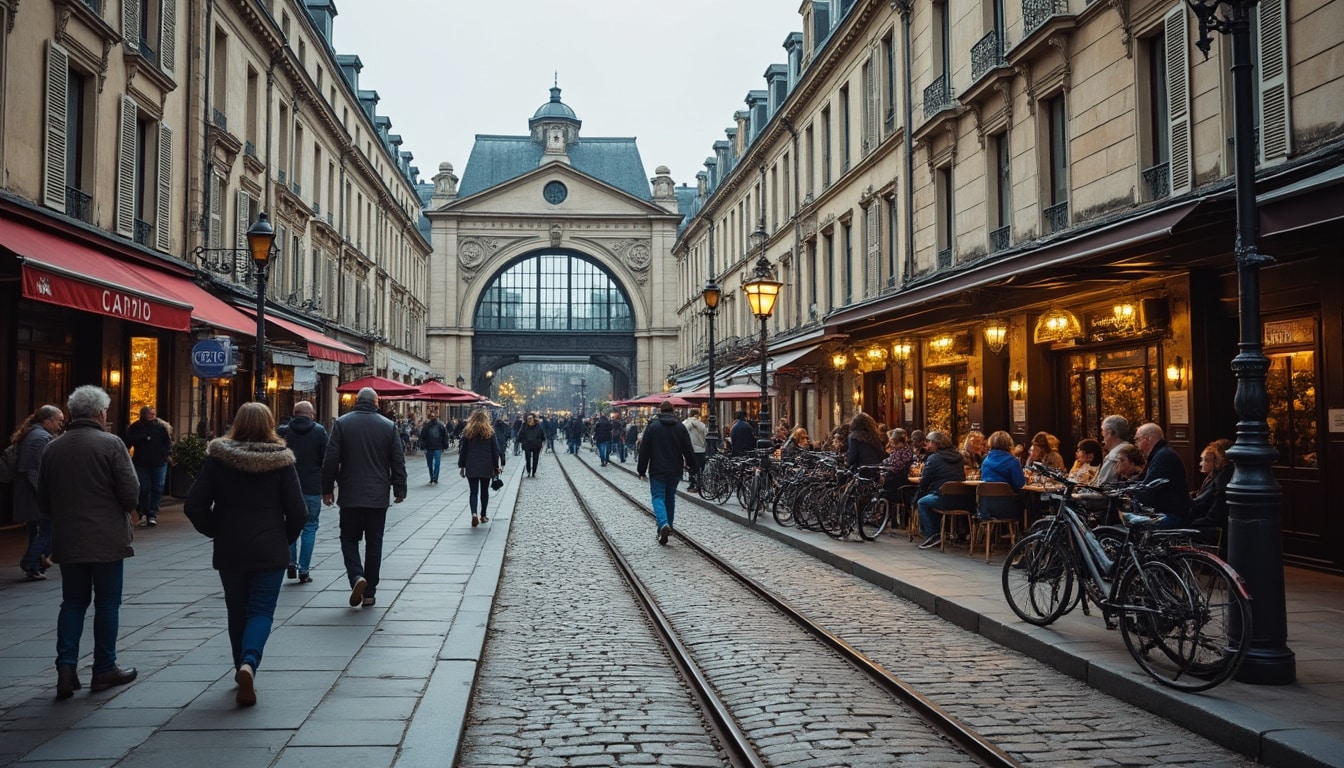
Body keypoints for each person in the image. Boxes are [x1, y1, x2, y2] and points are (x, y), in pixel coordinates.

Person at [185, 402, 307, 707]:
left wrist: (215, 529)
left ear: (236, 423)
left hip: (231, 547)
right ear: (270, 424)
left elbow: (194, 505)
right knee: (261, 611)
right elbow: (298, 512)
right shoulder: (281, 461)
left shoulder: (219, 459)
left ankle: (239, 664)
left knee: (236, 609)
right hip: (269, 548)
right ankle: (249, 662)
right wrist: (284, 538)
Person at [39, 385, 140, 698]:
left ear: (71, 413)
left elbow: (43, 497)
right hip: (107, 538)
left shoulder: (53, 447)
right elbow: (131, 492)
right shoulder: (111, 444)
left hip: (69, 538)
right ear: (100, 413)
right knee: (108, 602)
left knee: (72, 602)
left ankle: (66, 668)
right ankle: (103, 668)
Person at [321, 387, 407, 609]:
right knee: (374, 542)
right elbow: (397, 460)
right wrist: (400, 488)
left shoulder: (342, 424)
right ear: (376, 403)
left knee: (348, 539)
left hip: (350, 493)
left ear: (356, 402)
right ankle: (369, 592)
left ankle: (356, 576)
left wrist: (327, 488)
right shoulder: (388, 426)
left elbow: (331, 459)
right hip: (377, 495)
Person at [277, 401, 328, 584]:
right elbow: (326, 459)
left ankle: (291, 563)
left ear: (294, 413)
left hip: (287, 487)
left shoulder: (283, 431)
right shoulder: (320, 431)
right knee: (310, 526)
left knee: (290, 525)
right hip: (312, 487)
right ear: (311, 414)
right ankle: (304, 570)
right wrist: (328, 487)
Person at [12, 405, 64, 581]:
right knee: (47, 530)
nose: (60, 425)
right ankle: (31, 562)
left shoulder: (34, 435)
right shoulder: (39, 438)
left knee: (38, 531)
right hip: (34, 493)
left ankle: (34, 566)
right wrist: (45, 492)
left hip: (30, 492)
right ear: (46, 421)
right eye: (58, 421)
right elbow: (35, 469)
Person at [637, 400, 696, 545]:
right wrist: (693, 466)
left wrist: (641, 469)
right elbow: (688, 449)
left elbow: (645, 450)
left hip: (657, 469)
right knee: (670, 498)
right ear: (673, 411)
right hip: (675, 469)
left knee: (658, 497)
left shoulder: (653, 427)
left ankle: (663, 524)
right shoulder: (680, 427)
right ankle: (668, 525)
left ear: (660, 411)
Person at [914, 430, 966, 549]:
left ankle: (933, 534)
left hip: (944, 498)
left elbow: (924, 481)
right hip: (963, 499)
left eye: (929, 442)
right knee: (931, 498)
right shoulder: (959, 457)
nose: (927, 445)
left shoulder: (934, 459)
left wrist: (917, 495)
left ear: (935, 443)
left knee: (922, 502)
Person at [1133, 422, 1191, 528]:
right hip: (1169, 511)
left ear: (1149, 439)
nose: (1136, 444)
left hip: (1172, 515)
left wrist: (1132, 495)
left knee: (1133, 522)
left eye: (1138, 439)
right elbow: (1142, 480)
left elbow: (1148, 489)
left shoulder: (1163, 457)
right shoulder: (1160, 454)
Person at [123, 405, 172, 526]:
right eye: (150, 413)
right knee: (144, 488)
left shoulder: (160, 427)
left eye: (153, 413)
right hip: (142, 462)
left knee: (158, 487)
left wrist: (165, 454)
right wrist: (143, 438)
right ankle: (143, 511)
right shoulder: (136, 426)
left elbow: (167, 442)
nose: (152, 416)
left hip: (159, 462)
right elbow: (128, 441)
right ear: (144, 414)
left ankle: (152, 513)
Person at [459, 410, 502, 526]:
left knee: (473, 492)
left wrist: (462, 466)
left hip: (471, 465)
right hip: (486, 465)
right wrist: (496, 466)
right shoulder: (490, 432)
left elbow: (463, 451)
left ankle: (474, 513)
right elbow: (495, 451)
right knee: (484, 491)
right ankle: (483, 515)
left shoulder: (467, 432)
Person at [1190, 439, 1234, 543]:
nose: (1201, 463)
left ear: (1218, 460)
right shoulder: (1214, 476)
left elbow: (1214, 510)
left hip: (1213, 527)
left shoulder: (1221, 478)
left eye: (1206, 460)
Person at [978, 431, 1026, 520]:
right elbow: (1020, 484)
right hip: (1007, 507)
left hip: (986, 507)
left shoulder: (985, 461)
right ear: (1009, 444)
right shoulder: (1013, 461)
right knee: (1027, 501)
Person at [1093, 415, 1134, 486]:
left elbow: (1101, 487)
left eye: (1103, 431)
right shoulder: (1131, 449)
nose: (1102, 434)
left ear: (1110, 433)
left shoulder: (1113, 456)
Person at [417, 409, 449, 485]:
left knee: (434, 463)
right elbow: (422, 437)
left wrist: (444, 445)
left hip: (434, 447)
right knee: (432, 463)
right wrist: (445, 445)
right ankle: (433, 476)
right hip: (432, 447)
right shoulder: (430, 426)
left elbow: (444, 436)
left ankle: (434, 477)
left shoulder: (438, 426)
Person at [682, 411, 708, 491]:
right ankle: (700, 484)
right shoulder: (702, 424)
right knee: (700, 468)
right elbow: (706, 435)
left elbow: (683, 433)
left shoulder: (686, 423)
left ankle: (692, 484)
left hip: (692, 449)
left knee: (691, 468)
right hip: (701, 449)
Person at [519, 412, 546, 478]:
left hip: (536, 445)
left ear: (534, 419)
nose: (529, 420)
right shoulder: (524, 425)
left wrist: (541, 440)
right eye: (528, 418)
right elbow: (520, 434)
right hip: (527, 444)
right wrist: (521, 440)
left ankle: (534, 471)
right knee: (527, 459)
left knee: (535, 459)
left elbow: (542, 434)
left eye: (530, 418)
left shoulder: (538, 425)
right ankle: (528, 471)